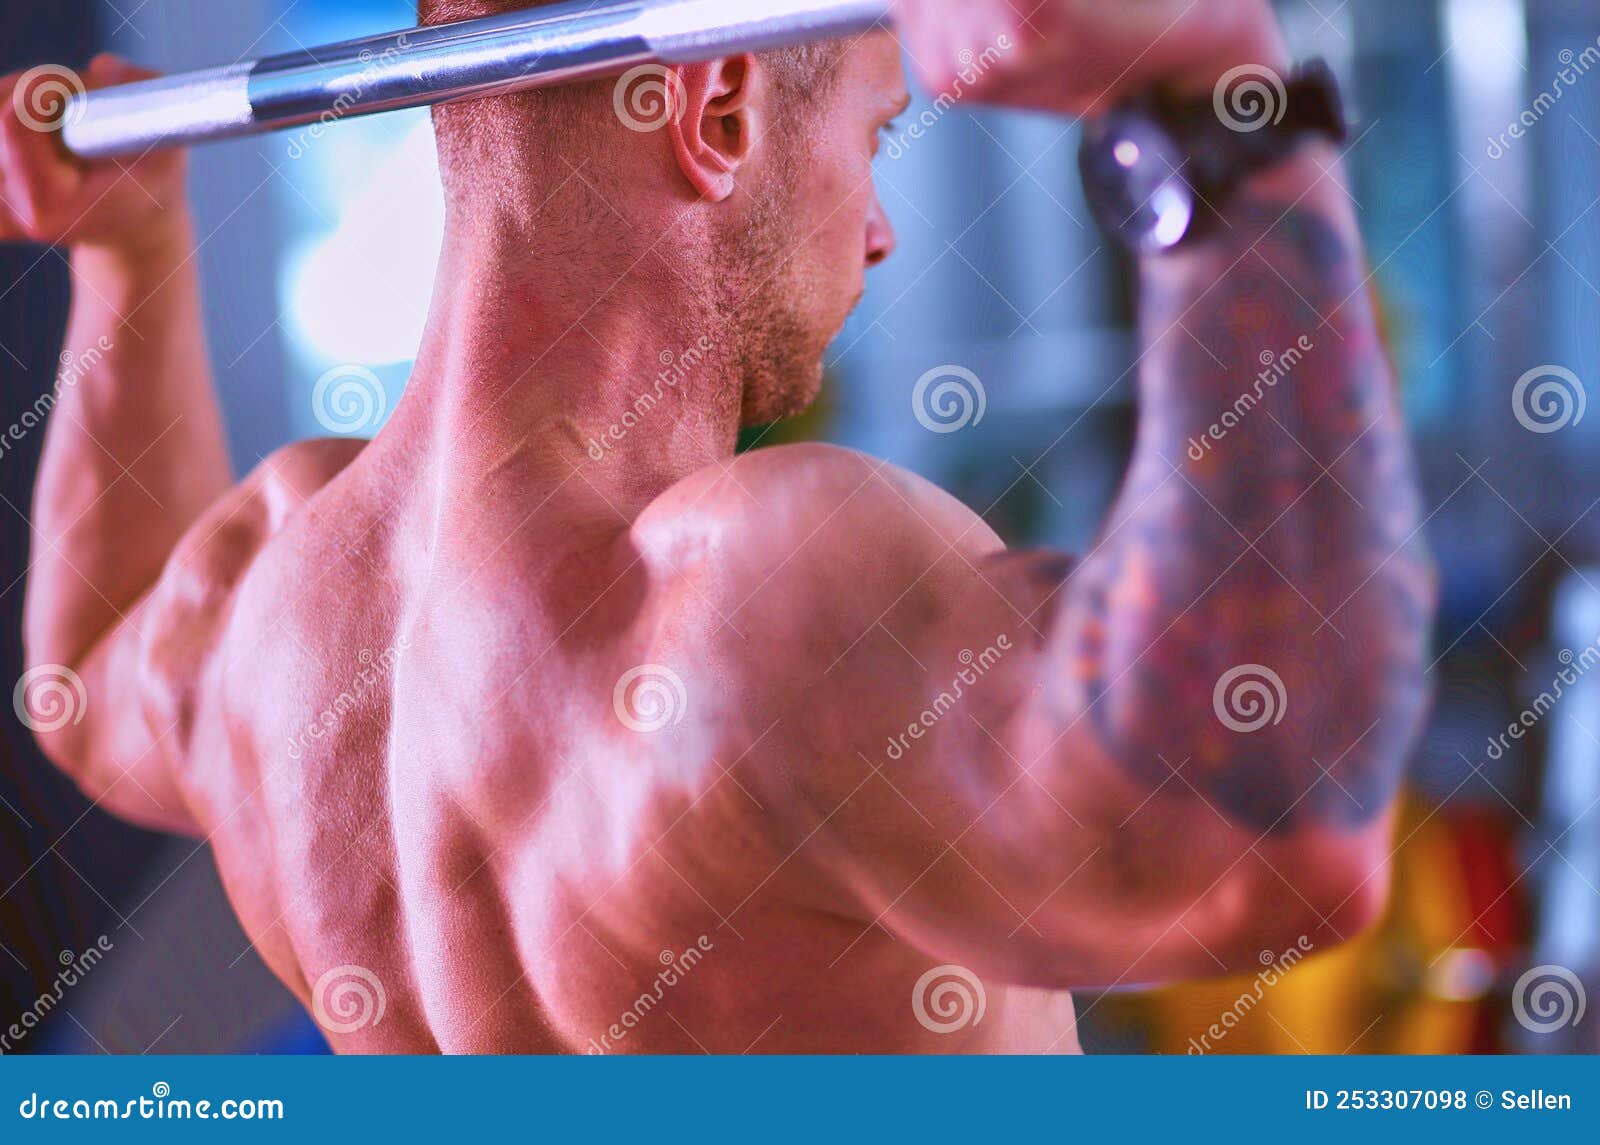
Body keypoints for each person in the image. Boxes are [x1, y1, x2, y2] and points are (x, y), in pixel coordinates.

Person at [0, 0, 1435, 1053]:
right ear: (720, 112)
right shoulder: (754, 605)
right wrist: (1211, 106)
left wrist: (130, 261)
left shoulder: (278, 602)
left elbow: (81, 673)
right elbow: (1271, 836)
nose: (877, 227)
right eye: (874, 136)